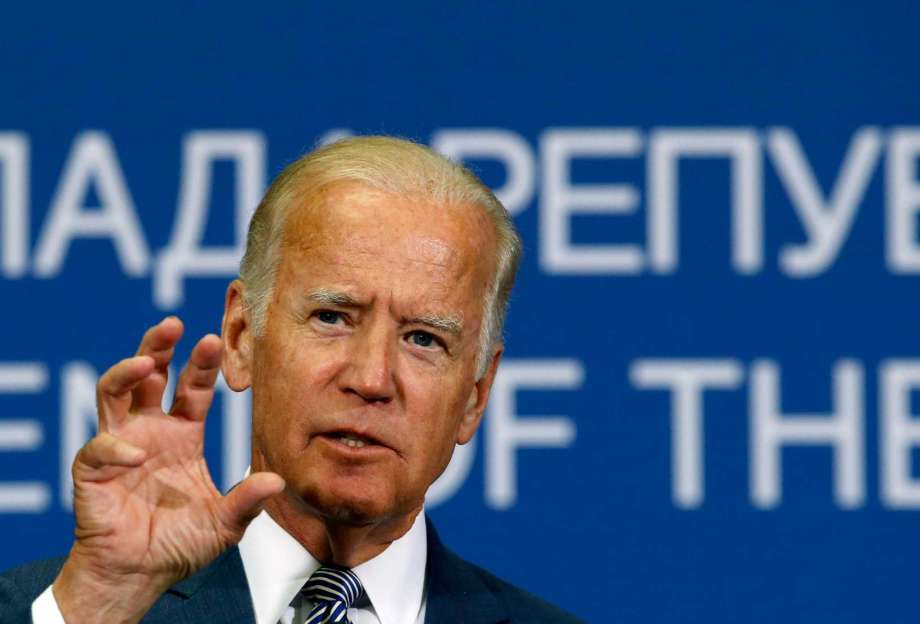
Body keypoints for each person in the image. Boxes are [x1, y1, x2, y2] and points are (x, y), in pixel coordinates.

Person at [0, 136, 583, 624]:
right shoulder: (55, 611)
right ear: (241, 337)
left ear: (475, 398)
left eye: (424, 339)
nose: (372, 378)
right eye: (332, 318)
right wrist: (101, 605)